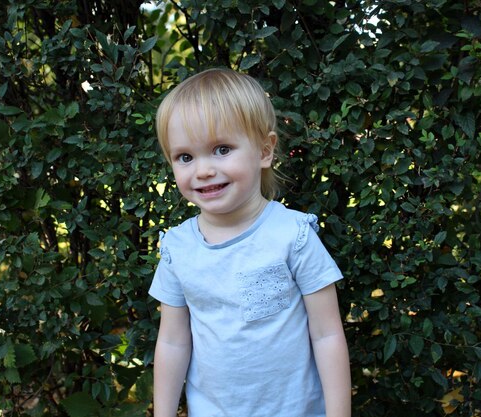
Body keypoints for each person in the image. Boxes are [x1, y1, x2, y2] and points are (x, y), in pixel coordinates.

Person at [149, 68, 351, 417]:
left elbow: (327, 334)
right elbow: (172, 341)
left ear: (264, 150)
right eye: (185, 157)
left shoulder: (293, 236)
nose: (203, 170)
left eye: (221, 149)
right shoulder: (178, 249)